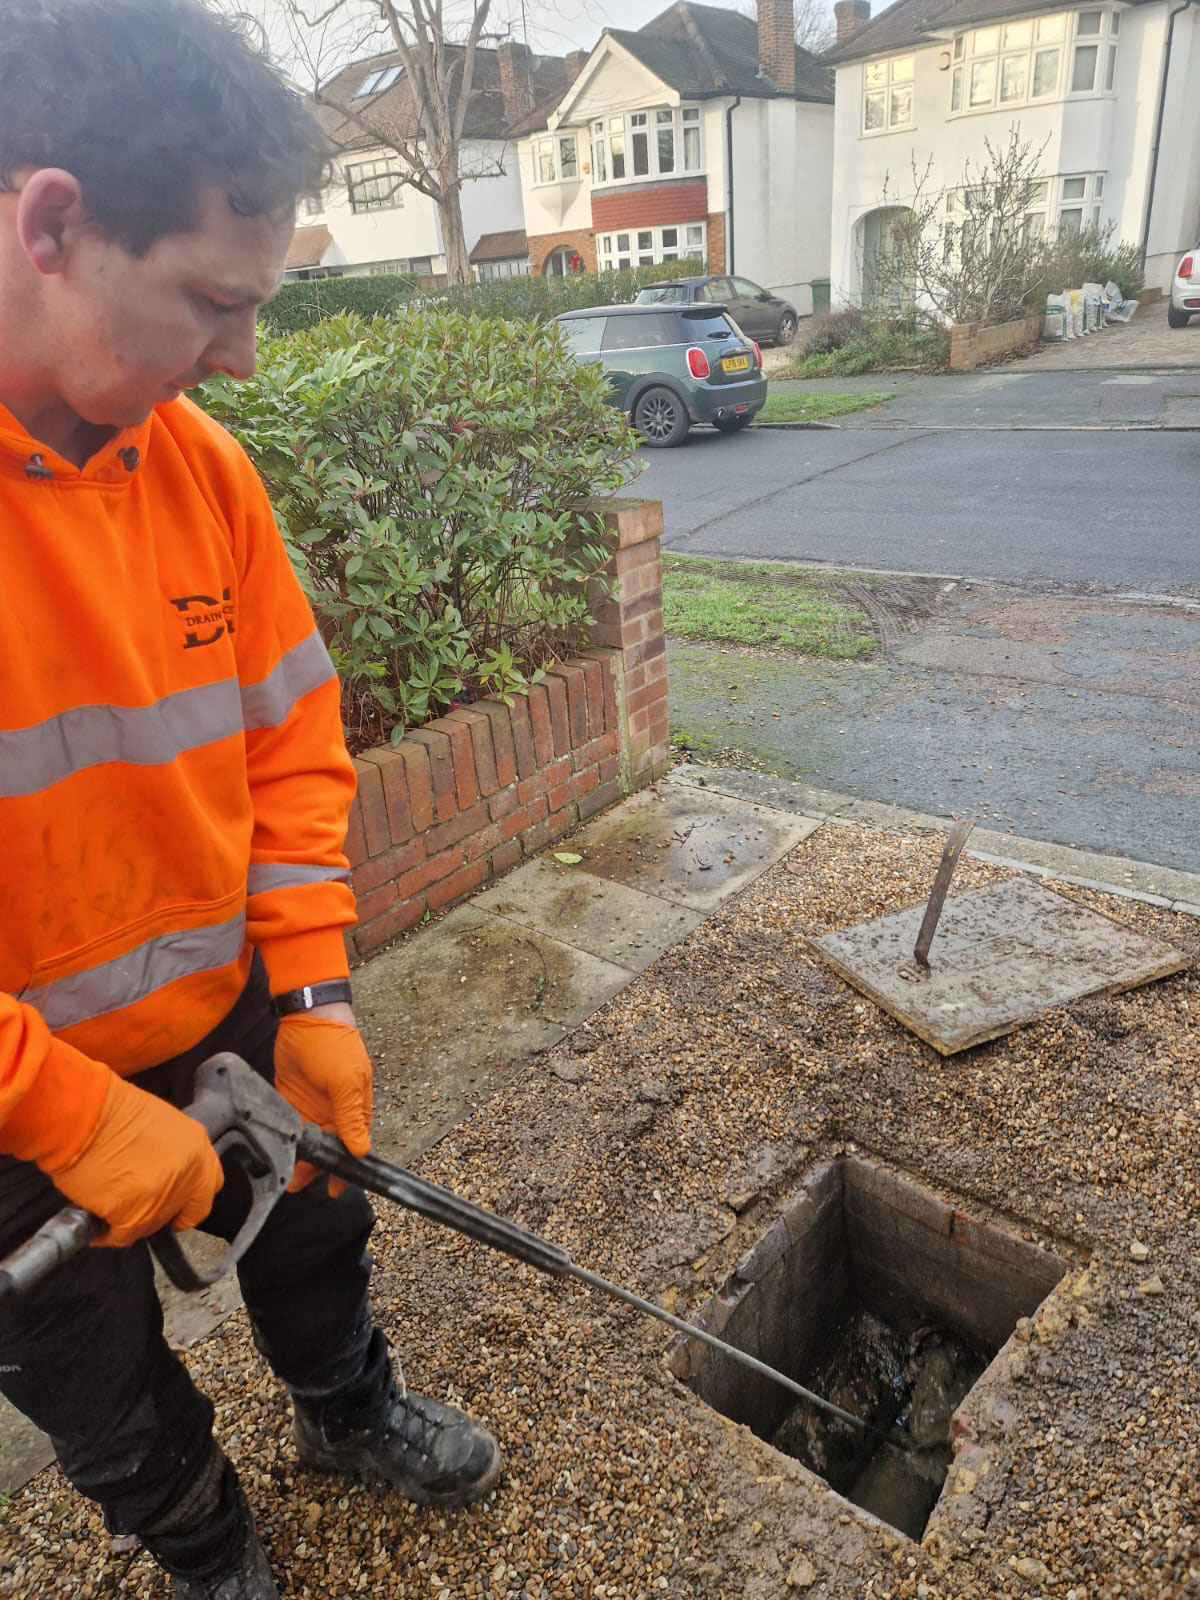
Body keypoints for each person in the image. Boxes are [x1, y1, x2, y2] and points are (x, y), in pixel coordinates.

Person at [0, 2, 502, 1595]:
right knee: (92, 1375)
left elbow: (292, 748)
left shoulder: (202, 467)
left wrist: (318, 992)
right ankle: (212, 1554)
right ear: (55, 224)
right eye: (215, 302)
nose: (241, 355)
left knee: (315, 1233)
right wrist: (72, 1116)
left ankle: (347, 1411)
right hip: (15, 1105)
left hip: (230, 1000)